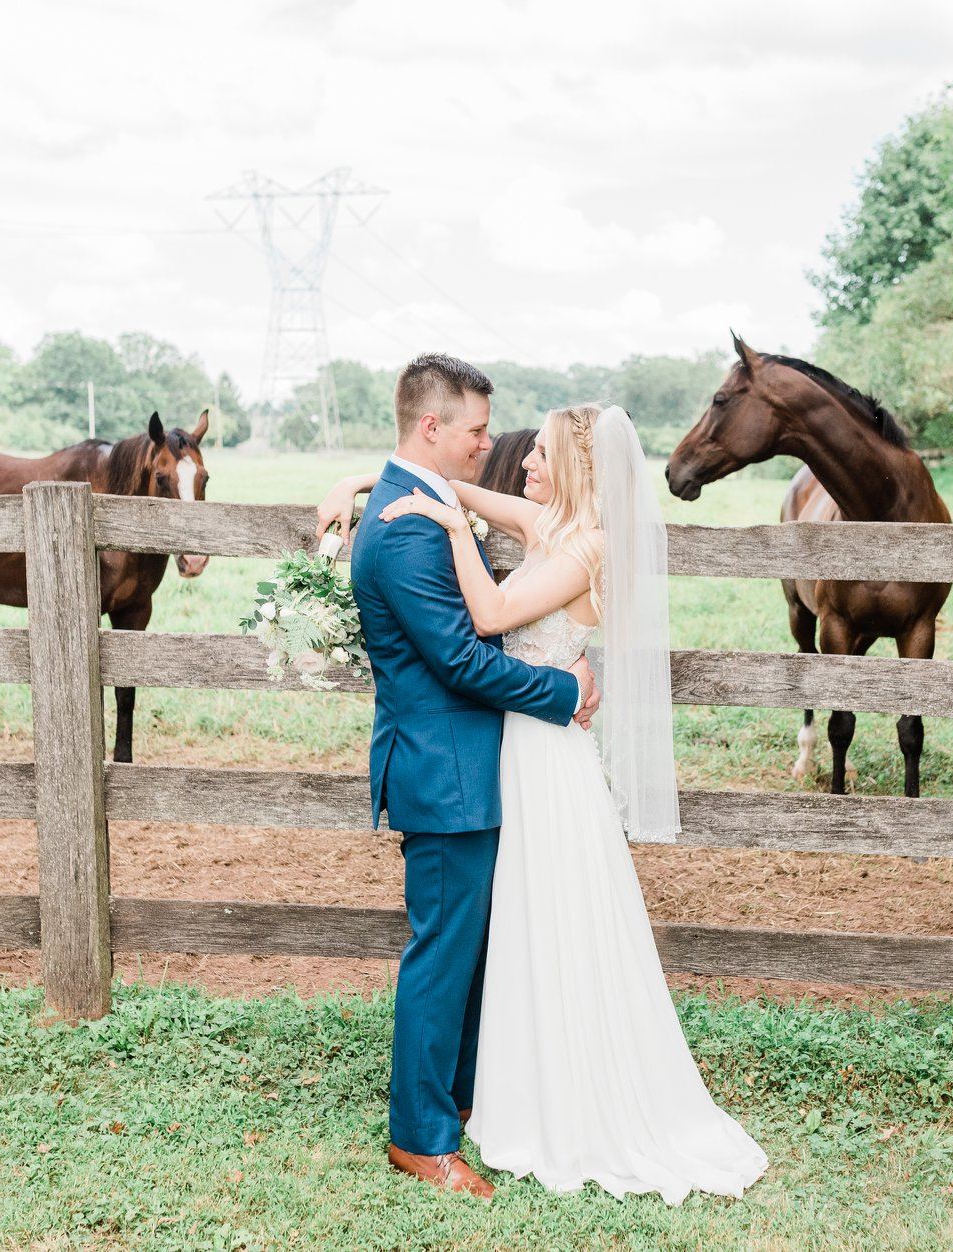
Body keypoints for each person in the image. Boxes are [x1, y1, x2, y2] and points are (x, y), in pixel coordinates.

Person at [317, 372, 767, 1205]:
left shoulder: (578, 537)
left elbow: (486, 611)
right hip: (470, 762)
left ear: (576, 470)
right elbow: (464, 649)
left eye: (536, 452)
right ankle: (421, 1137)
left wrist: (443, 516)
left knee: (503, 938)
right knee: (449, 951)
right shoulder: (448, 523)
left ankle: (477, 1099)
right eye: (483, 432)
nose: (510, 455)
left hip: (521, 764)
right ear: (430, 426)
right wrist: (564, 690)